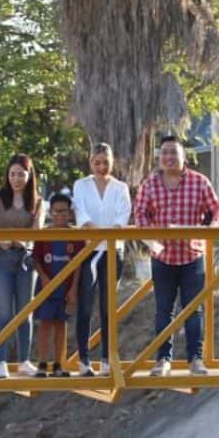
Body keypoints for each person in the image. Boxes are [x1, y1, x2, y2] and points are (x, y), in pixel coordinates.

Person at [133, 135, 219, 377]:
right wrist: (152, 239)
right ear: (159, 157)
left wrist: (210, 229)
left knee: (193, 309)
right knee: (163, 310)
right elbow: (140, 215)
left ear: (184, 156)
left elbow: (215, 209)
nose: (169, 157)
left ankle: (196, 359)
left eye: (174, 152)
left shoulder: (199, 182)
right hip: (163, 257)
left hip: (192, 255)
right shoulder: (149, 184)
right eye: (164, 152)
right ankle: (163, 359)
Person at [71, 142, 132, 377]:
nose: (101, 166)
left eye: (105, 162)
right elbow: (80, 212)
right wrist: (93, 230)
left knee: (108, 306)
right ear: (90, 162)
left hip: (112, 248)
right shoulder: (81, 185)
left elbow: (123, 214)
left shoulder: (120, 187)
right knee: (85, 305)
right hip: (89, 249)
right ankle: (84, 359)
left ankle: (108, 357)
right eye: (97, 162)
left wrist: (111, 233)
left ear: (112, 162)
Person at [0, 154, 42, 379]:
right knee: (3, 312)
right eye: (13, 174)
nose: (16, 178)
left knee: (24, 311)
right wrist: (4, 240)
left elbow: (36, 231)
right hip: (0, 257)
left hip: (25, 259)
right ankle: (1, 362)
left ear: (29, 176)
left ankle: (24, 360)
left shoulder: (37, 201)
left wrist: (24, 242)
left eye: (21, 174)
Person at [33, 193, 84, 377]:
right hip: (46, 286)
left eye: (63, 211)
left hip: (66, 288)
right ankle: (41, 363)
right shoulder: (44, 233)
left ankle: (58, 363)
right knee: (45, 324)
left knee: (61, 325)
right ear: (50, 212)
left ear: (70, 213)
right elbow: (36, 259)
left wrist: (73, 289)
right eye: (55, 211)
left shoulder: (76, 236)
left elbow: (78, 263)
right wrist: (43, 277)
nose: (59, 215)